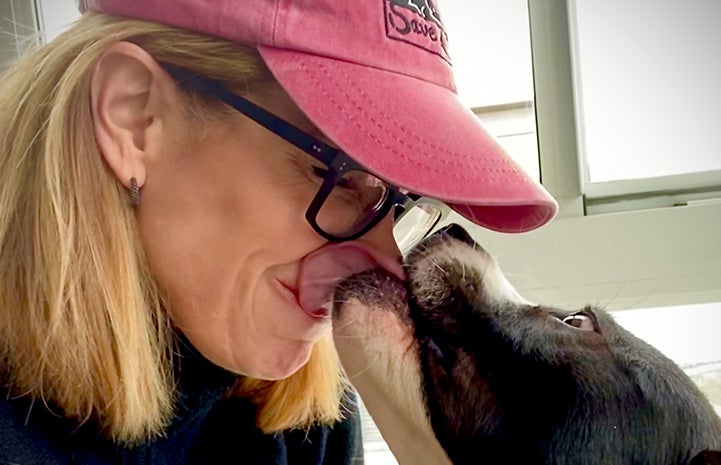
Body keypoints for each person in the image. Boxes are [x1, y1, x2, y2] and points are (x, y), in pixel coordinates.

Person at [0, 0, 558, 463]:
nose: (386, 259)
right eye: (339, 175)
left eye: (398, 198)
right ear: (133, 116)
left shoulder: (309, 424)